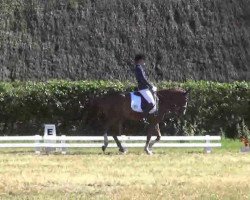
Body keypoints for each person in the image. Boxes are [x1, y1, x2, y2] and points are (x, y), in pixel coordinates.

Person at [134, 54, 157, 123]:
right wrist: (150, 86)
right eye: (143, 60)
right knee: (151, 103)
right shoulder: (138, 68)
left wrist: (151, 84)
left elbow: (145, 79)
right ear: (140, 60)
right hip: (143, 88)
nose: (144, 62)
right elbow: (143, 79)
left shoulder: (140, 67)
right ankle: (142, 118)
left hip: (145, 87)